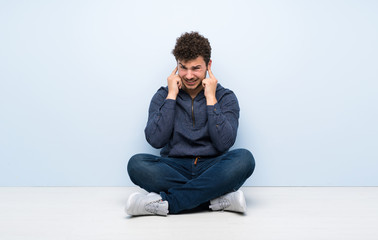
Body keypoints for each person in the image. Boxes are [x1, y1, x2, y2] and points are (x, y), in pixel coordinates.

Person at [126, 32, 255, 216]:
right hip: (174, 167)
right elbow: (155, 140)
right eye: (183, 67)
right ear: (177, 64)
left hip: (211, 167)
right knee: (136, 164)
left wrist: (211, 98)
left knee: (244, 159)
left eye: (196, 68)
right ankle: (215, 199)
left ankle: (168, 203)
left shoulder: (225, 97)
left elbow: (224, 143)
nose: (188, 75)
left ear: (208, 65)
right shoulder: (163, 95)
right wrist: (171, 96)